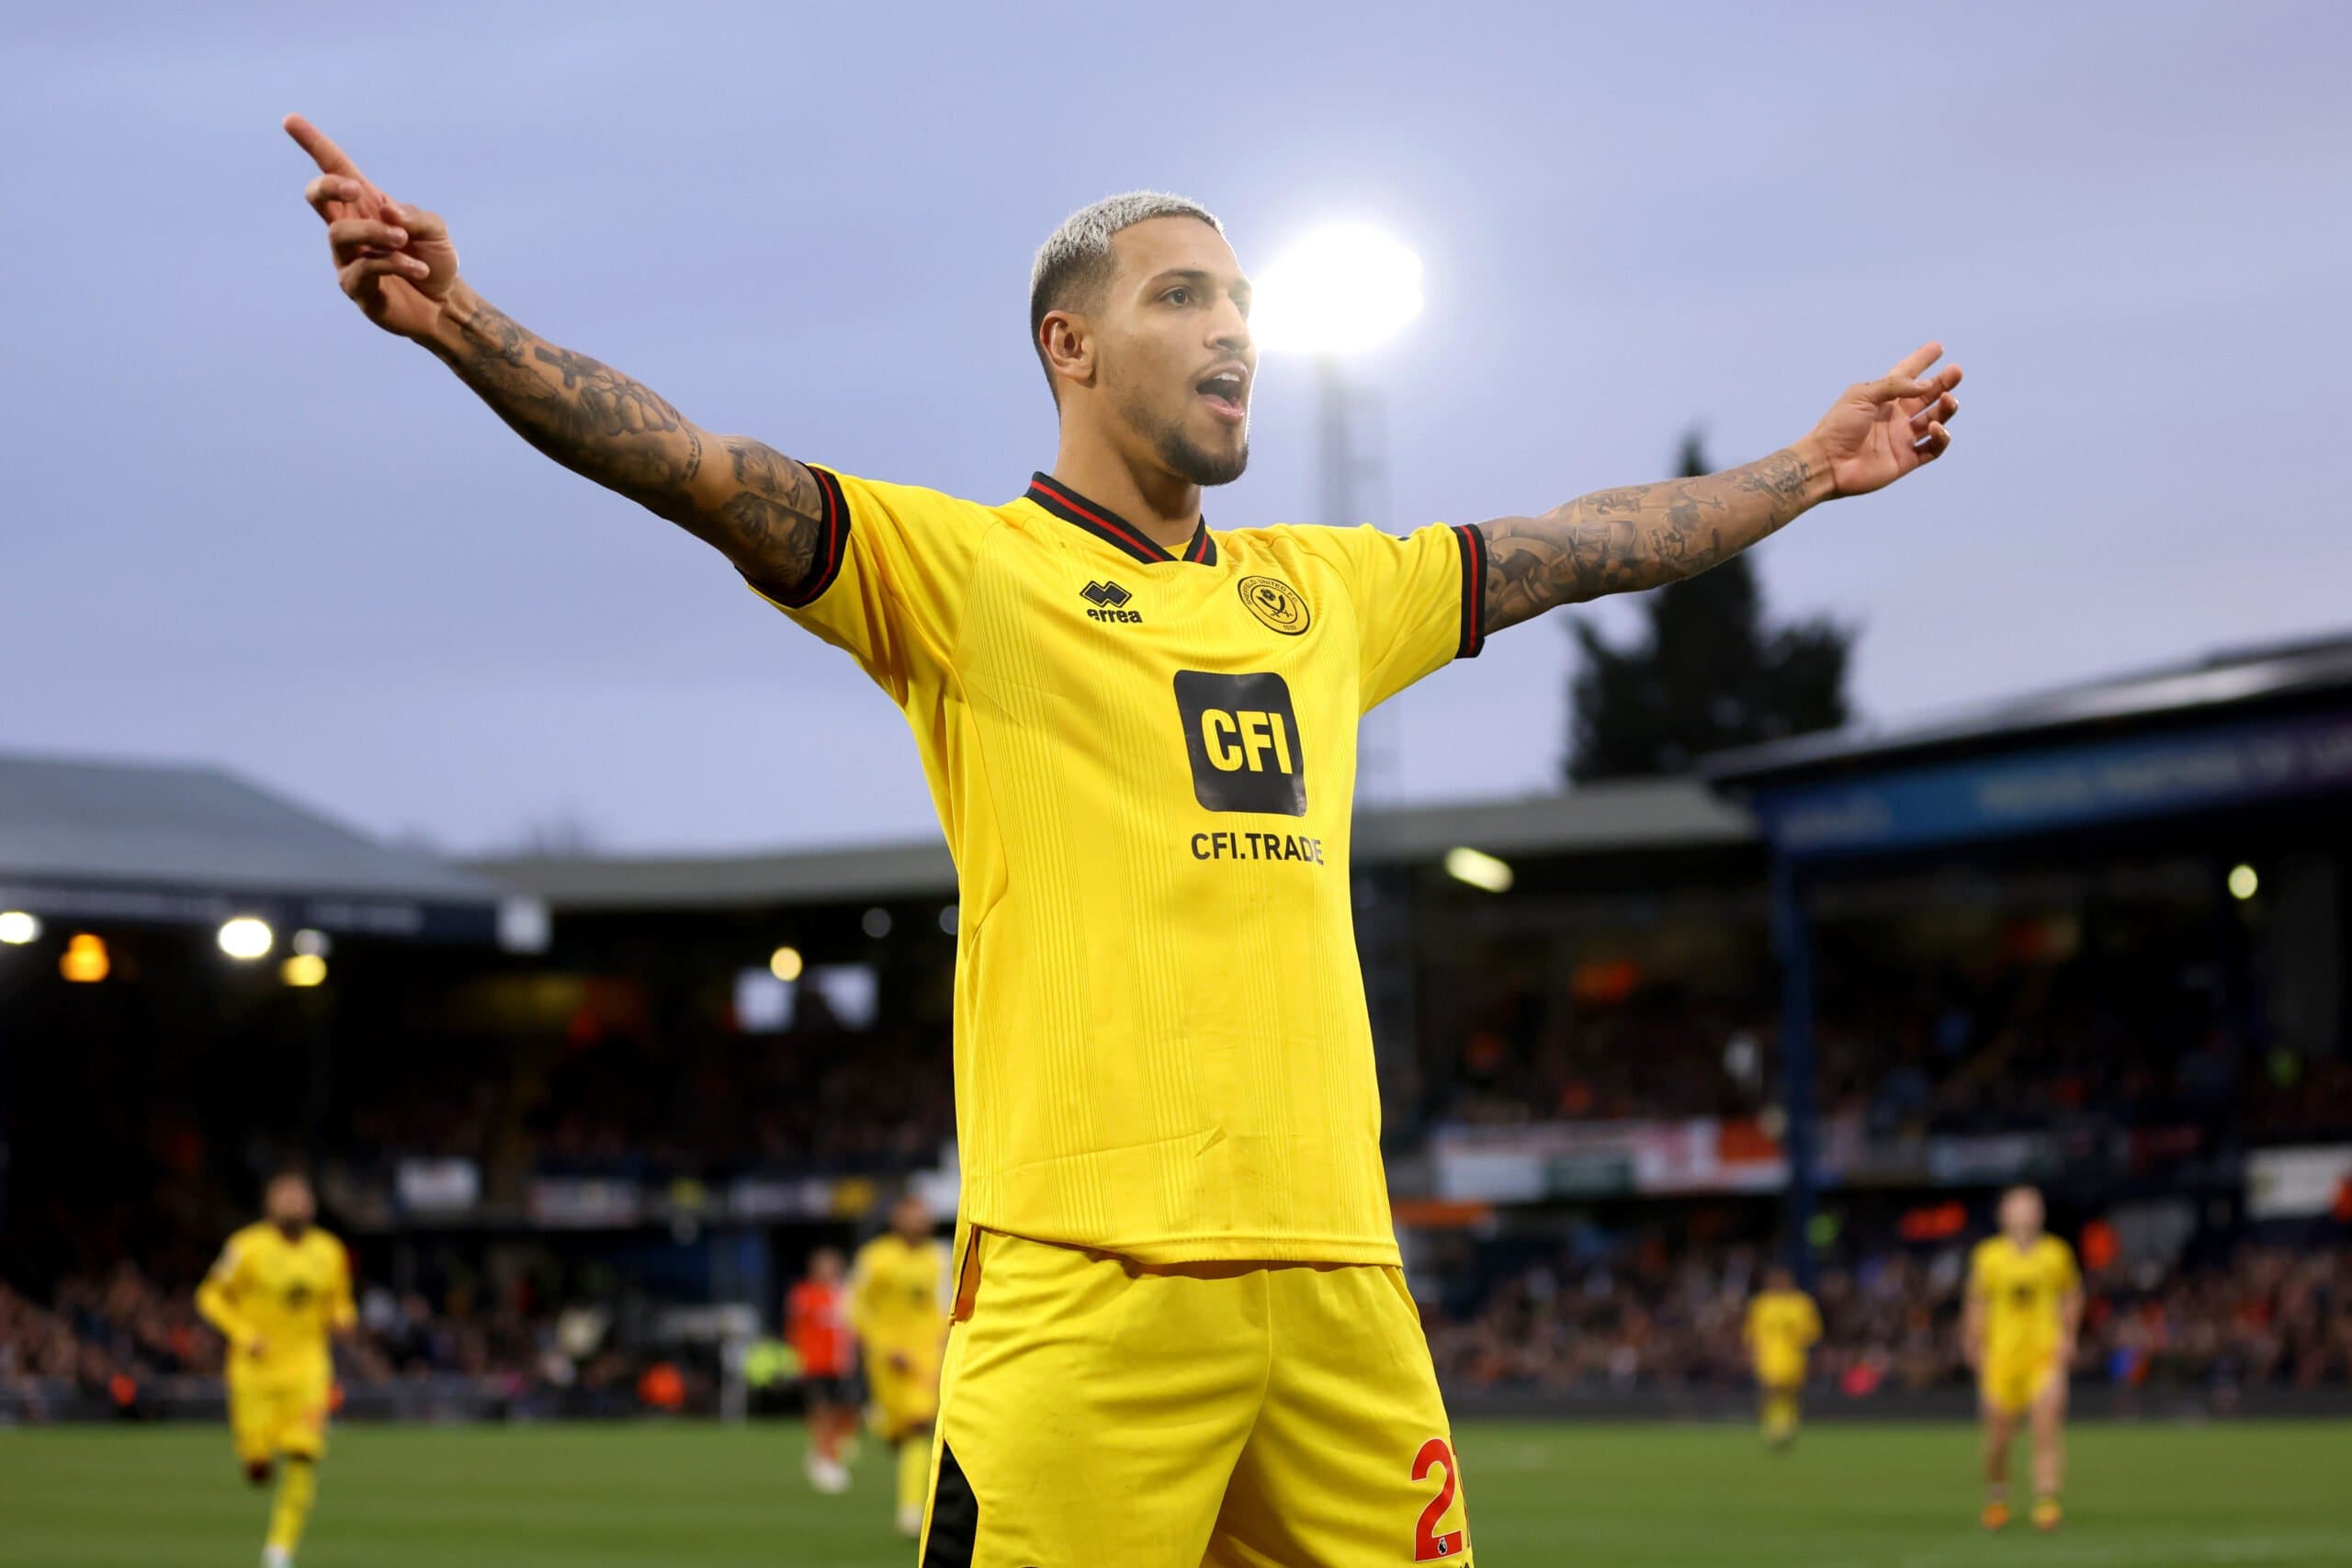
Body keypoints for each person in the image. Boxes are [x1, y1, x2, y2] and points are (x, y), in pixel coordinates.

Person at [283, 111, 1962, 1565]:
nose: (1235, 332)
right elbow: (706, 472)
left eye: (1242, 300)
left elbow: (1581, 544)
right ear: (1068, 347)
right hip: (1089, 1284)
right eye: (1184, 296)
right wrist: (464, 322)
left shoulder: (1324, 592)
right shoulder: (962, 576)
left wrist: (1808, 466)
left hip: (1341, 1286)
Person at [193, 1170, 356, 1568]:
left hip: (308, 1370)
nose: (295, 1204)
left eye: (301, 1197)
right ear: (270, 1205)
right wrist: (243, 1333)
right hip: (254, 1371)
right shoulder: (245, 1247)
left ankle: (279, 1551)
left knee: (304, 1455)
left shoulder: (330, 1251)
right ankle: (256, 1458)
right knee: (257, 1462)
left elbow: (340, 1302)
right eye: (287, 1198)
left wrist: (344, 1316)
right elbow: (209, 1296)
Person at [1963, 1187, 2081, 1532]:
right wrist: (1973, 1343)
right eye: (2019, 1206)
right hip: (2000, 1356)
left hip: (2044, 1355)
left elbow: (2072, 1294)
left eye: (2032, 1206)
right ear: (2004, 1214)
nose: (2027, 1213)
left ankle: (2047, 1501)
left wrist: (2068, 1338)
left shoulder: (2056, 1254)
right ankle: (1997, 1496)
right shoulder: (1988, 1256)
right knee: (1998, 1437)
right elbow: (1976, 1302)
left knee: (2046, 1429)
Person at [849, 1197, 949, 1539]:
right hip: (887, 1361)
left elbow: (948, 1305)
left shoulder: (940, 1257)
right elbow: (856, 1307)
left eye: (924, 1216)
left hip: (927, 1360)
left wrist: (944, 1346)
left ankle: (910, 1512)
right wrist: (882, 1346)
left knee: (920, 1427)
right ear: (897, 1219)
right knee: (899, 1436)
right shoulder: (875, 1258)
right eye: (912, 1216)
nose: (920, 1222)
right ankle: (879, 1422)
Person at [787, 1247, 859, 1495]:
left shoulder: (845, 1294)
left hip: (840, 1363)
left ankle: (829, 1451)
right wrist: (796, 1357)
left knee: (845, 1410)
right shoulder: (804, 1294)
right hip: (815, 1363)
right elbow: (796, 1328)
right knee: (822, 1411)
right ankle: (824, 1458)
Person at [1742, 1263, 1821, 1450]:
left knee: (1789, 1393)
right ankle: (1774, 1427)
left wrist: (1811, 1355)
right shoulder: (1761, 1304)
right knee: (1770, 1391)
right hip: (1768, 1357)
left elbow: (1811, 1334)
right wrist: (1750, 1354)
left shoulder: (1802, 1303)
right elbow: (1750, 1333)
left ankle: (1788, 1425)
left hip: (1793, 1357)